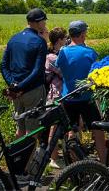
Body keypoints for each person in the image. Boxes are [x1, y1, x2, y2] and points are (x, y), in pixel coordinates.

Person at [55, 20, 106, 162]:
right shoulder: (89, 52)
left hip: (68, 97)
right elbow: (97, 73)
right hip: (86, 97)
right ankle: (103, 165)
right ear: (83, 34)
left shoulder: (63, 52)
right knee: (98, 131)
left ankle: (76, 167)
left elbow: (60, 67)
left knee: (71, 132)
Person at [1, 8, 48, 136]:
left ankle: (18, 156)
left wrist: (13, 85)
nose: (45, 25)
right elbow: (38, 70)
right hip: (33, 90)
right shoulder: (39, 42)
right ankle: (29, 156)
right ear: (38, 22)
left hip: (16, 91)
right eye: (44, 21)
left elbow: (3, 65)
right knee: (32, 131)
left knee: (20, 129)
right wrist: (21, 86)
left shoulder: (13, 39)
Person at [45, 27, 67, 168]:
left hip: (62, 95)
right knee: (54, 127)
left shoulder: (59, 54)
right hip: (55, 96)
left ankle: (63, 154)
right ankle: (53, 158)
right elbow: (64, 72)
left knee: (64, 126)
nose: (67, 40)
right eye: (65, 38)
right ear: (59, 40)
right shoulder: (51, 57)